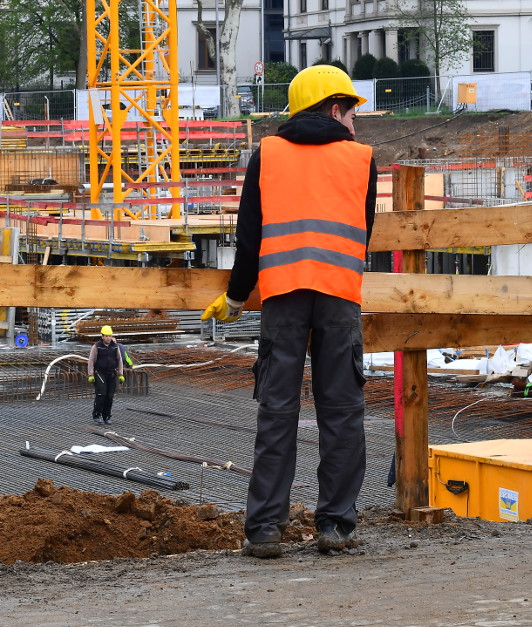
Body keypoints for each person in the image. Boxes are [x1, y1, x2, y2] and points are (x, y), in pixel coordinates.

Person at [202, 65, 377, 558]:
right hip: (340, 297)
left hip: (281, 298)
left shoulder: (268, 153)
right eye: (352, 113)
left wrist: (236, 297)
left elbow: (249, 235)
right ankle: (336, 527)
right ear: (334, 107)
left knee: (278, 413)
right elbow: (365, 234)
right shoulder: (362, 160)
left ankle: (263, 530)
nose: (355, 126)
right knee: (342, 414)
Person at [87, 325, 125, 424]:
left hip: (111, 373)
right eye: (106, 336)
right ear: (102, 336)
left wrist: (121, 374)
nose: (108, 338)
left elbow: (119, 360)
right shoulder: (97, 346)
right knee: (101, 394)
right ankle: (96, 415)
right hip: (100, 373)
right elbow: (91, 361)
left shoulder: (115, 346)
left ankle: (106, 416)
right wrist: (90, 374)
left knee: (109, 396)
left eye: (110, 336)